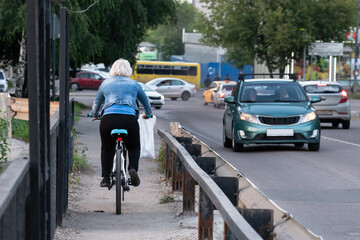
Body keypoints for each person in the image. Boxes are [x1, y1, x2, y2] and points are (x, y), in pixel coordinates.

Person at [91, 58, 152, 188]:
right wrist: (148, 114)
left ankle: (106, 178)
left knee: (107, 148)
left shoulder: (105, 84)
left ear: (112, 69)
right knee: (134, 146)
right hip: (129, 120)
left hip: (108, 119)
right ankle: (133, 168)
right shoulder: (134, 84)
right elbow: (146, 102)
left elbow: (97, 103)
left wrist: (95, 114)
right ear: (128, 70)